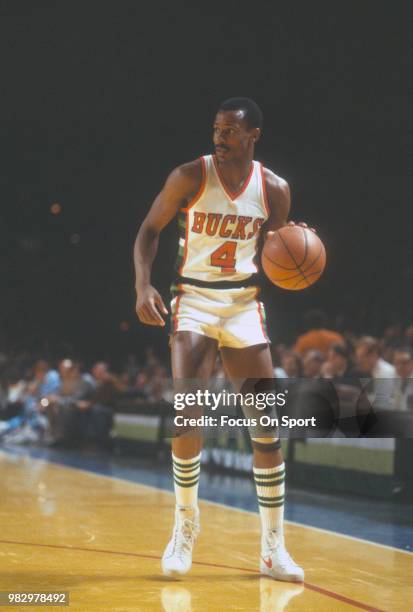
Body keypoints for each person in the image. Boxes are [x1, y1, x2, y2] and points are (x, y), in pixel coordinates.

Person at [134, 97, 306, 582]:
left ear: (253, 135)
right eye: (216, 130)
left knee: (266, 428)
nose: (219, 138)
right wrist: (142, 285)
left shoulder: (274, 189)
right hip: (193, 299)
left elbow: (280, 253)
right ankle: (184, 526)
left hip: (243, 305)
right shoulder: (190, 175)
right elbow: (149, 231)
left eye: (230, 131)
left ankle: (273, 548)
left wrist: (297, 256)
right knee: (189, 413)